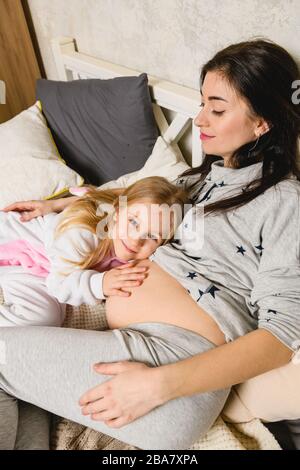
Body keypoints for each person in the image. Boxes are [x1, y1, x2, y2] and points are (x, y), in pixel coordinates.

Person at [0, 39, 299, 450]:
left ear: (262, 123)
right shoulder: (198, 180)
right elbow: (129, 200)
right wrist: (62, 203)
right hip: (133, 343)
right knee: (24, 390)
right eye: (200, 103)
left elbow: (282, 337)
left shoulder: (285, 201)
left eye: (217, 108)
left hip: (174, 371)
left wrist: (160, 385)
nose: (199, 119)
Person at [0, 176, 187, 449]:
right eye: (133, 222)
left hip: (43, 261)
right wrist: (100, 283)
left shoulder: (134, 232)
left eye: (151, 237)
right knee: (43, 318)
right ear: (118, 211)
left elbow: (102, 197)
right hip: (23, 246)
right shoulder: (83, 232)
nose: (135, 239)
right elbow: (60, 284)